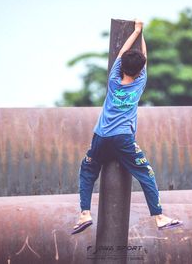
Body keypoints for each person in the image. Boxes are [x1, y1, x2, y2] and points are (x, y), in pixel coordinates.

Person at [72, 19, 182, 235]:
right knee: (145, 174)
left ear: (121, 65)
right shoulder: (139, 83)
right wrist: (143, 33)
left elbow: (122, 52)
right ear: (141, 70)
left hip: (101, 136)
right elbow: (145, 58)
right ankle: (159, 217)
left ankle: (84, 213)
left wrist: (135, 32)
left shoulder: (113, 80)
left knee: (88, 169)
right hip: (123, 139)